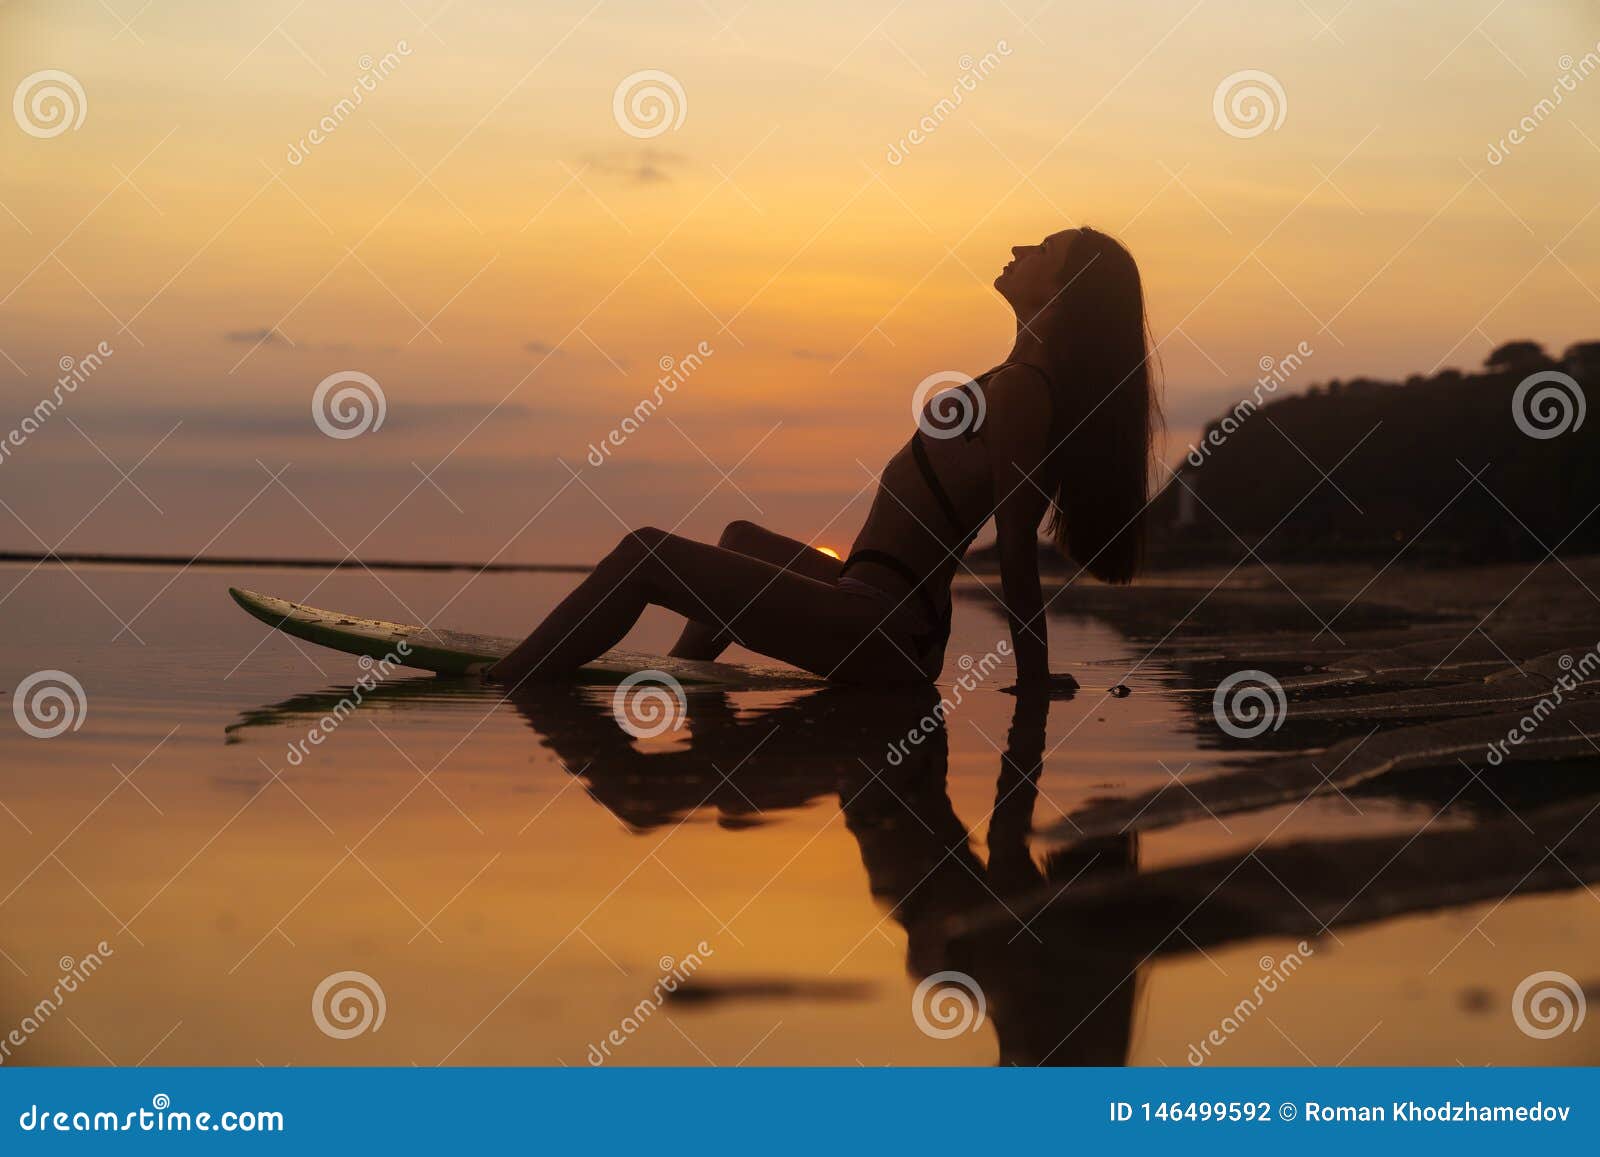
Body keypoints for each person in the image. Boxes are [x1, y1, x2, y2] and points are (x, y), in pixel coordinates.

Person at [488, 226, 1161, 688]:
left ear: (1064, 291)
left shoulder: (1021, 392)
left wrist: (1033, 681)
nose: (1020, 246)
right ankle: (682, 681)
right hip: (871, 602)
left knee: (646, 555)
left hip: (886, 627)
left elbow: (1014, 546)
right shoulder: (1011, 379)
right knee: (740, 538)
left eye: (1043, 247)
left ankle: (511, 680)